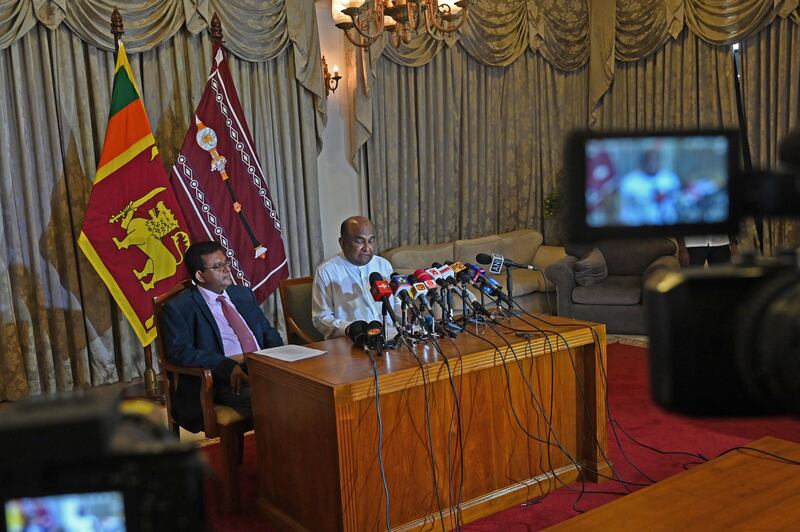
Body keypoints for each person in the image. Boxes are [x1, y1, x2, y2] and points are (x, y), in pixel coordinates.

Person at [160, 240, 283, 432]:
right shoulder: (179, 307)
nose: (227, 270)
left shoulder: (242, 294)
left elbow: (267, 331)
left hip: (263, 367)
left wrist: (279, 356)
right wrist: (225, 365)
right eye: (218, 267)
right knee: (276, 402)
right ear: (200, 275)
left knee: (307, 392)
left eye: (226, 263)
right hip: (223, 379)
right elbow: (180, 352)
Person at [312, 216, 397, 339]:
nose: (367, 248)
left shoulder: (383, 265)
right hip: (351, 342)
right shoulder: (326, 271)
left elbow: (396, 305)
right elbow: (320, 318)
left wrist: (407, 313)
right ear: (342, 243)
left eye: (371, 241)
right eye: (360, 241)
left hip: (390, 337)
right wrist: (349, 329)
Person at [617, 149, 681, 226]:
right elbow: (625, 207)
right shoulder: (630, 181)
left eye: (655, 161)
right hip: (638, 227)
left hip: (666, 226)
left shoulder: (670, 178)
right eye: (649, 161)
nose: (652, 164)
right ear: (643, 163)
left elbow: (676, 201)